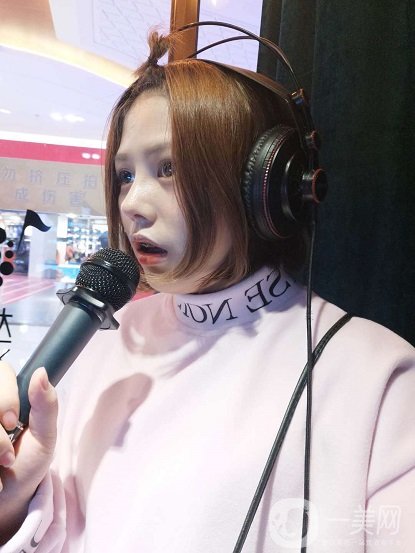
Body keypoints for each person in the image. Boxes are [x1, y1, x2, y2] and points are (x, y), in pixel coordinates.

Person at [0, 28, 414, 553]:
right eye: (125, 175)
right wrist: (13, 500)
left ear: (265, 188)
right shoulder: (99, 342)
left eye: (168, 168)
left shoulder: (378, 377)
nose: (132, 204)